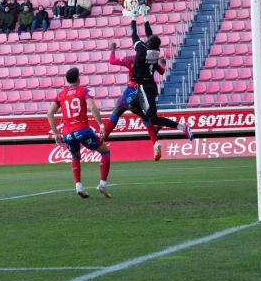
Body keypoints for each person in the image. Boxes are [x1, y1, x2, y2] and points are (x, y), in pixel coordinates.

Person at [46, 67, 111, 199]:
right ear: (78, 78)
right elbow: (92, 107)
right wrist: (101, 125)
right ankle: (102, 184)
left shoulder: (61, 94)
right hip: (82, 130)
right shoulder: (84, 91)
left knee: (75, 156)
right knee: (105, 152)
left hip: (68, 134)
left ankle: (78, 186)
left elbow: (49, 113)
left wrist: (56, 133)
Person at [127, 13, 193, 141]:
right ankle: (154, 123)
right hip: (148, 85)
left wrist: (133, 18)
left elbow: (133, 34)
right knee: (132, 106)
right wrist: (145, 18)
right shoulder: (156, 52)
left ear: (149, 43)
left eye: (148, 40)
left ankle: (182, 127)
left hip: (145, 88)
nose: (147, 40)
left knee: (153, 117)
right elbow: (150, 36)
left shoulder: (142, 50)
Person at [103, 42, 165, 161]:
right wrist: (163, 64)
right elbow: (161, 71)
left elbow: (112, 61)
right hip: (147, 90)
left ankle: (102, 140)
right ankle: (155, 142)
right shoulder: (152, 60)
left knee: (117, 110)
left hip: (133, 88)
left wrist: (112, 49)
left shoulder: (130, 59)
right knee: (145, 117)